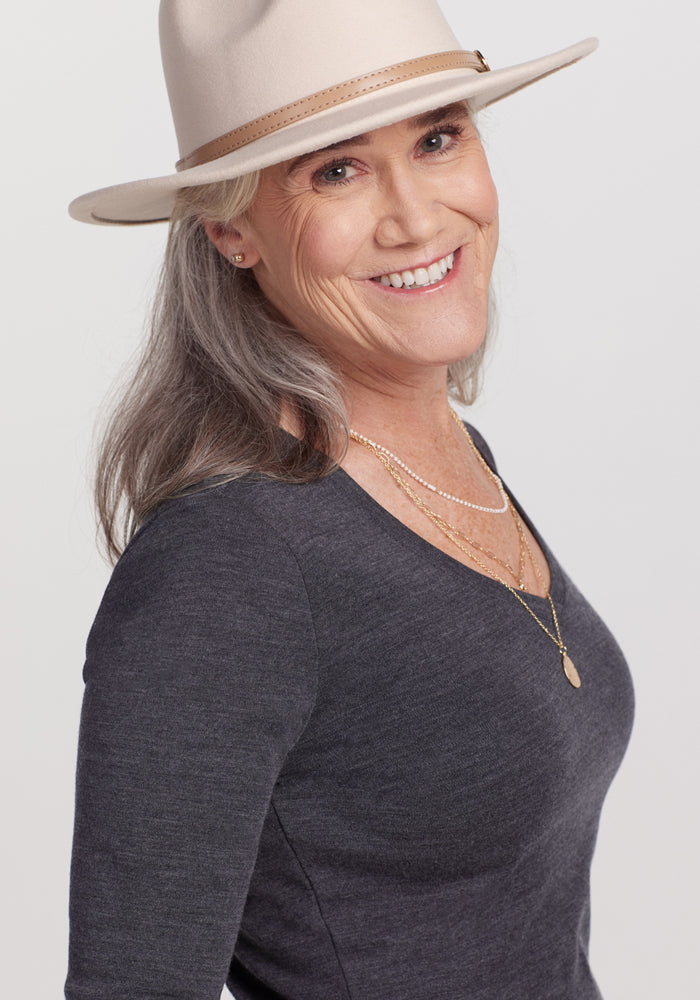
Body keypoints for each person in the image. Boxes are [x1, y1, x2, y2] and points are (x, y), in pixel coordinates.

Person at [65, 3, 634, 998]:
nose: (415, 216)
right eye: (336, 169)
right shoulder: (228, 569)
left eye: (438, 137)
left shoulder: (449, 455)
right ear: (232, 228)